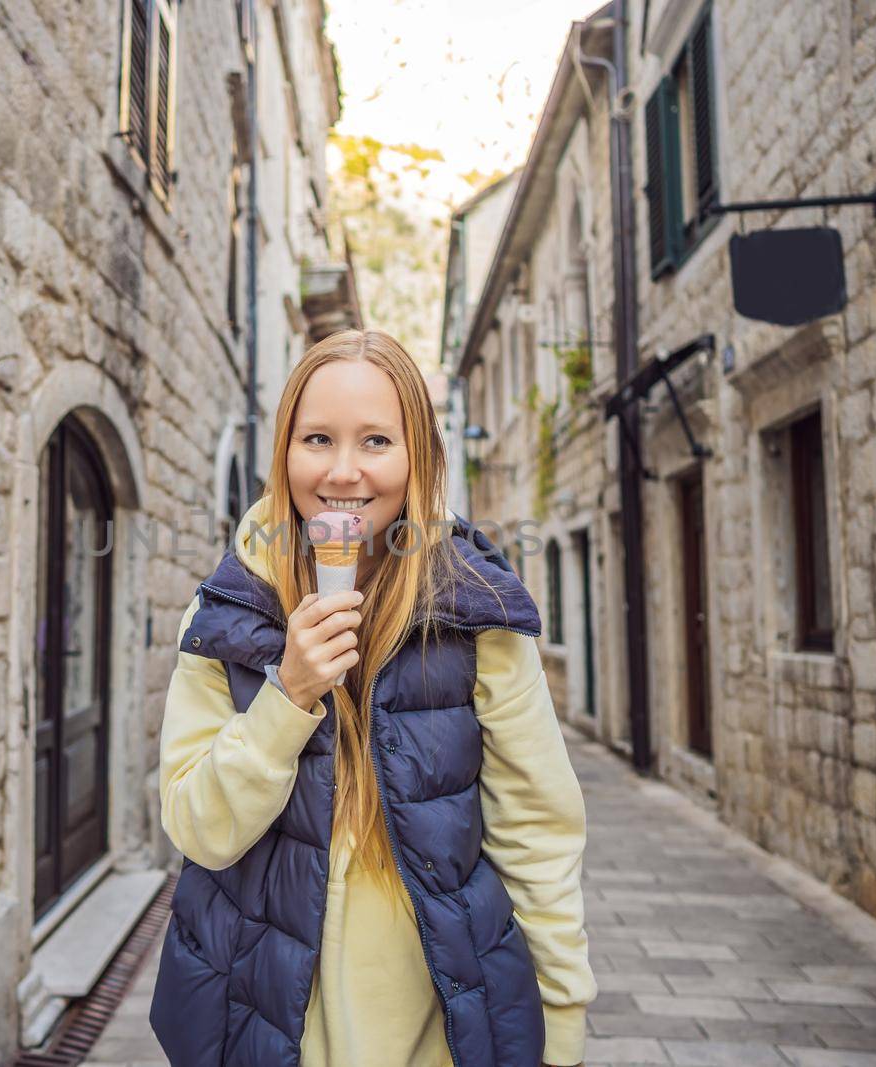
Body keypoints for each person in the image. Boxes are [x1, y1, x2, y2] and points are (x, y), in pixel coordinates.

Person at [148, 329, 594, 1067]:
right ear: (283, 450)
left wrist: (563, 1027)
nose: (344, 471)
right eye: (317, 437)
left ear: (418, 453)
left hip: (439, 1029)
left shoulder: (475, 612)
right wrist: (287, 695)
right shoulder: (225, 614)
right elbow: (200, 830)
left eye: (377, 440)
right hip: (254, 1017)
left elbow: (538, 832)